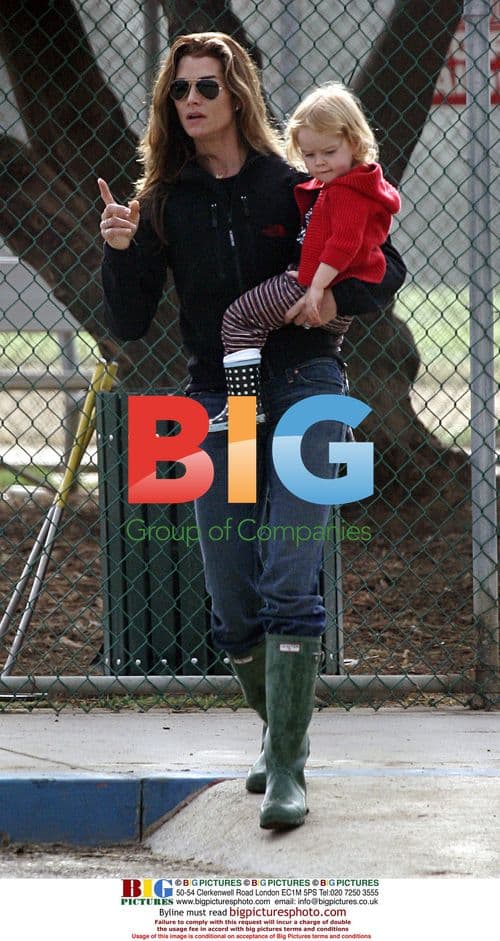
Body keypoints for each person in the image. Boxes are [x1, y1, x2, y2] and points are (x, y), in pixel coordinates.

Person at [99, 31, 406, 830]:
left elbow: (384, 262)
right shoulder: (165, 198)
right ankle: (276, 735)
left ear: (236, 93)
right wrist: (122, 250)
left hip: (309, 389)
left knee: (289, 574)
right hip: (218, 405)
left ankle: (290, 772)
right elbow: (129, 321)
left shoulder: (292, 181)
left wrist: (339, 303)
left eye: (206, 87)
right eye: (179, 91)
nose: (191, 102)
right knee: (234, 596)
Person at [209, 82, 401, 430]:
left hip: (308, 283)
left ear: (354, 143)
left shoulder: (348, 192)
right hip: (321, 294)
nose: (319, 163)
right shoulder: (336, 187)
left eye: (328, 152)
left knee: (238, 320)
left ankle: (242, 411)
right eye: (310, 156)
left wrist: (316, 288)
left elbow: (344, 244)